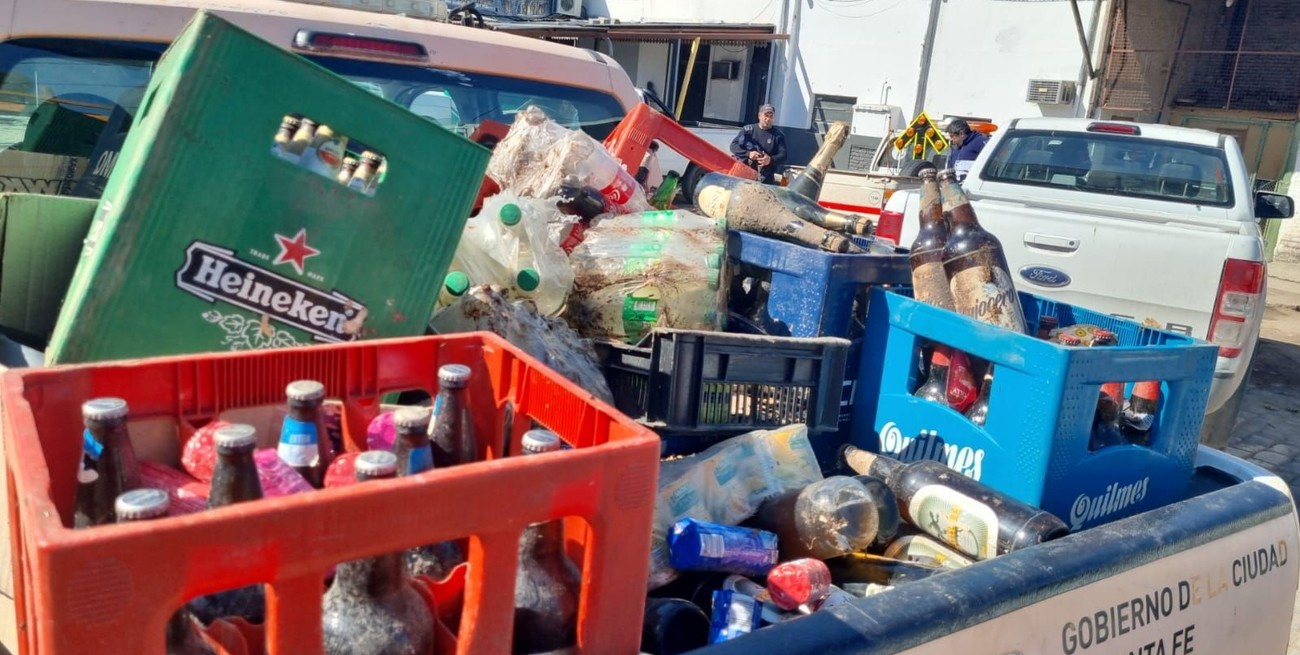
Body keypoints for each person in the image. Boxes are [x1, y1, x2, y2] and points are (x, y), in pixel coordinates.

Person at [730, 104, 787, 185]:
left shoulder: (778, 135)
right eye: (766, 115)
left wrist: (770, 160)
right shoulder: (748, 130)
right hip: (745, 175)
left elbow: (783, 155)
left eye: (771, 116)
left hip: (766, 178)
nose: (768, 119)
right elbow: (733, 146)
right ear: (759, 116)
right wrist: (748, 154)